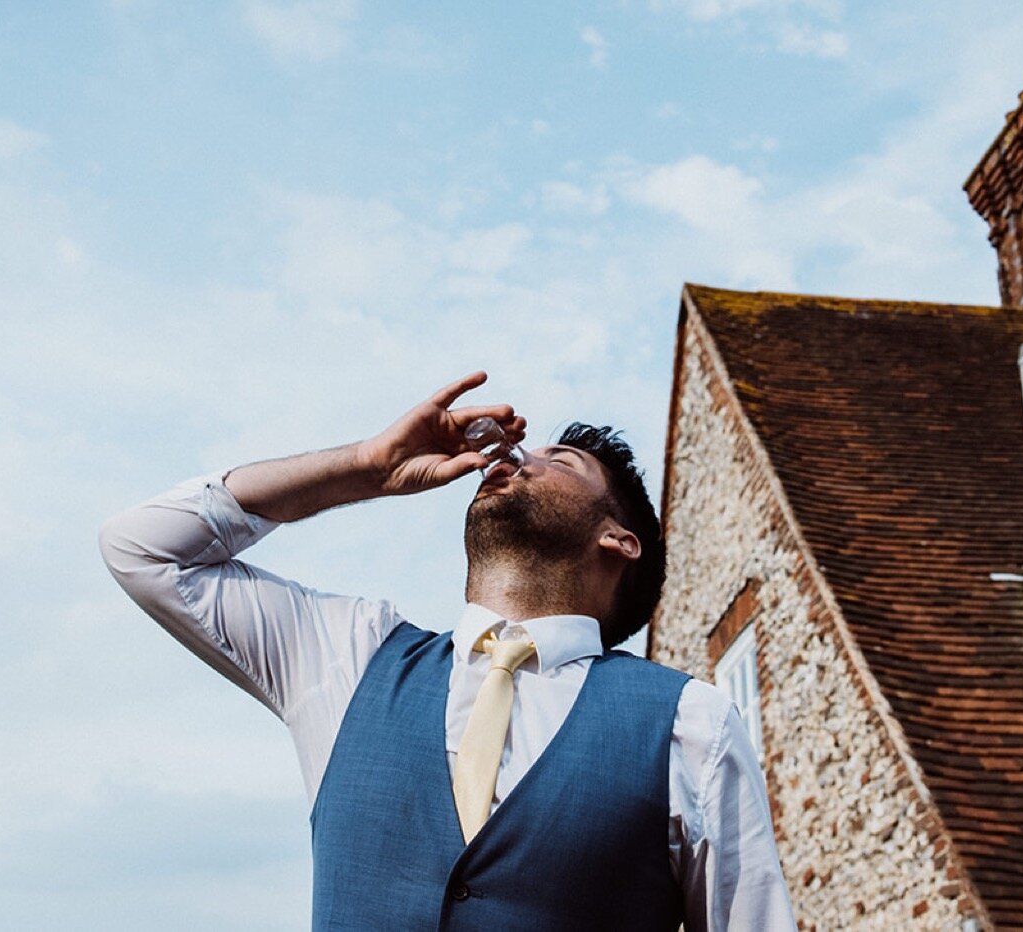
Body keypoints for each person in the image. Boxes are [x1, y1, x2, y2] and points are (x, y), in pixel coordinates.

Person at [100, 371, 796, 931]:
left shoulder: (690, 725)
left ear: (618, 539)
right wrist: (369, 467)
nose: (517, 456)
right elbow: (145, 549)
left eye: (562, 459)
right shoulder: (351, 658)